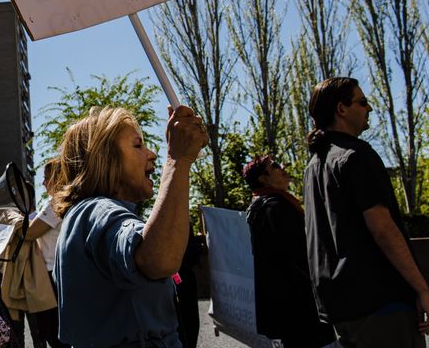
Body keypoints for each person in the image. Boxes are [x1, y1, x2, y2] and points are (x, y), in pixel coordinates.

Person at [53, 105, 208, 347]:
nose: (152, 154)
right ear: (104, 159)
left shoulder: (83, 215)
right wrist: (178, 160)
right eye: (138, 145)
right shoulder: (98, 211)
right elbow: (158, 260)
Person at [303, 77, 429, 347]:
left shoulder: (313, 166)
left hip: (340, 304)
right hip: (380, 301)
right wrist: (421, 288)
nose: (369, 108)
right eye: (362, 102)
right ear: (341, 109)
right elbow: (383, 229)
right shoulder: (357, 155)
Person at [242, 155, 334, 348]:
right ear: (263, 179)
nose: (283, 168)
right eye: (275, 166)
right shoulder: (274, 207)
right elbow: (298, 255)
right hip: (297, 302)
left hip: (286, 302)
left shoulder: (263, 206)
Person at [22, 161, 68, 348]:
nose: (43, 184)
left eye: (46, 178)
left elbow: (30, 233)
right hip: (58, 273)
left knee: (52, 332)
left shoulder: (57, 202)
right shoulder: (66, 201)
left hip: (52, 277)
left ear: (58, 178)